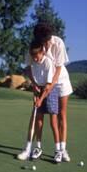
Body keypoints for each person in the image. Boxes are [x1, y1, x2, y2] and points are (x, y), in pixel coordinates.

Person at [31, 22, 73, 161]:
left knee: (62, 115)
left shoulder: (58, 43)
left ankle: (62, 149)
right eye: (45, 41)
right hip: (46, 84)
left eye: (48, 39)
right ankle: (39, 147)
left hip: (61, 82)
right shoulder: (36, 46)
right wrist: (37, 85)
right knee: (43, 117)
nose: (48, 43)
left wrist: (50, 87)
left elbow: (59, 69)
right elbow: (31, 66)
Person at [17, 40, 63, 163]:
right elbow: (32, 75)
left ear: (43, 52)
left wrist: (41, 99)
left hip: (51, 89)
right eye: (33, 57)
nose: (35, 59)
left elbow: (48, 85)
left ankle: (58, 150)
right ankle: (38, 147)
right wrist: (35, 88)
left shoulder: (47, 62)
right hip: (40, 88)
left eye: (37, 56)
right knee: (38, 120)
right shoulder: (33, 61)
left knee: (53, 121)